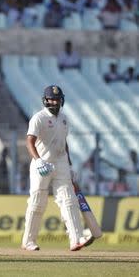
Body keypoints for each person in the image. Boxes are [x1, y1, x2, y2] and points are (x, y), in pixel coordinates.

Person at [21, 85, 94, 251]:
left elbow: (64, 142)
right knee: (38, 202)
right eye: (51, 99)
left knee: (68, 199)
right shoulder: (38, 118)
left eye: (57, 99)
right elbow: (29, 141)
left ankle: (76, 239)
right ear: (45, 100)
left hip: (60, 162)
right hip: (42, 164)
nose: (54, 102)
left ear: (62, 100)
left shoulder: (64, 118)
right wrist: (38, 160)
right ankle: (28, 241)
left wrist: (69, 165)